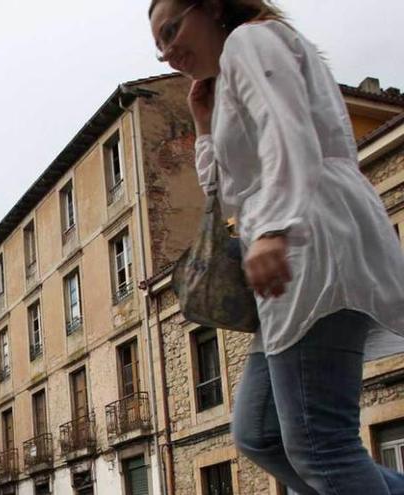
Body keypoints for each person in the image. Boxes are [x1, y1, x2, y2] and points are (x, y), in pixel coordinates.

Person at [148, 1, 404, 493]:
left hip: (313, 245)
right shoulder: (230, 76)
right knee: (260, 435)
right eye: (159, 45)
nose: (168, 52)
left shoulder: (252, 40)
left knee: (319, 446)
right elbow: (225, 190)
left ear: (213, 7)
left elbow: (286, 132)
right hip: (298, 252)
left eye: (173, 30)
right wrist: (203, 122)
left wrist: (273, 229)